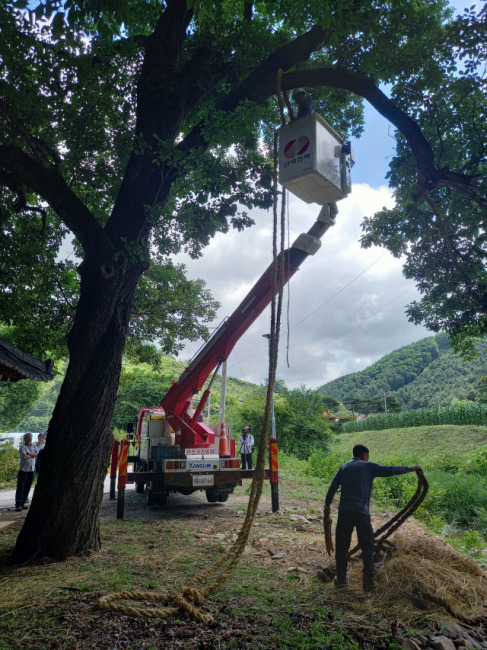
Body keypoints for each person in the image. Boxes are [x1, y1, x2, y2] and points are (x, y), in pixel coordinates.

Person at [324, 444, 421, 592]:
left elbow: (332, 487)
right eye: (368, 456)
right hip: (361, 512)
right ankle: (368, 581)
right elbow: (390, 470)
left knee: (342, 545)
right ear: (364, 455)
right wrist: (410, 468)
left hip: (344, 512)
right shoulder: (368, 466)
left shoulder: (344, 467)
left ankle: (341, 579)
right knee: (367, 546)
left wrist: (327, 504)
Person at [14, 432, 39, 512]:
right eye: (28, 437)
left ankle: (23, 503)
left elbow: (37, 454)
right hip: (24, 470)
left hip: (31, 470)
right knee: (21, 487)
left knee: (28, 487)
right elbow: (25, 457)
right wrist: (32, 454)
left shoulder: (34, 445)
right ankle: (18, 504)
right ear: (25, 438)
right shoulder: (22, 447)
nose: (30, 438)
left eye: (30, 437)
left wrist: (30, 454)